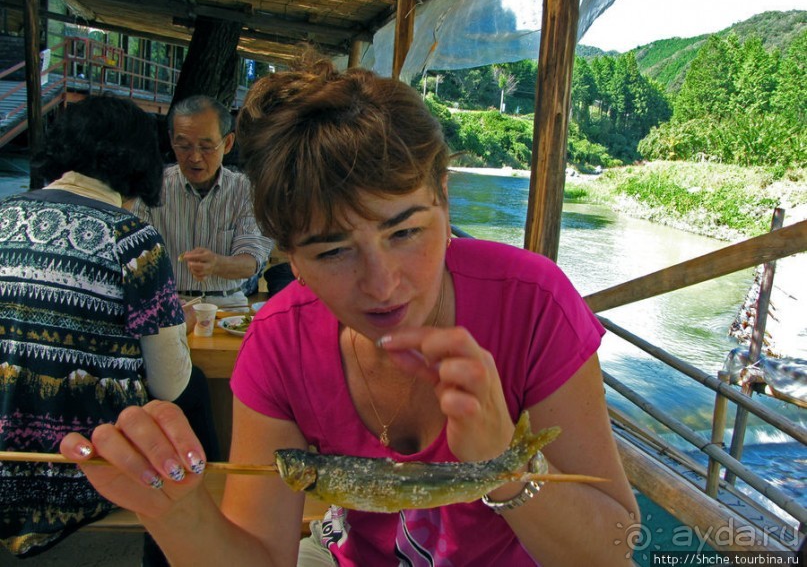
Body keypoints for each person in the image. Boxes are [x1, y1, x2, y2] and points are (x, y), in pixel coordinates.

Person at [60, 54, 640, 566]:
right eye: (332, 250)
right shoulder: (279, 341)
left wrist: (505, 468)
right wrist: (172, 511)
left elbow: (614, 548)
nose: (383, 285)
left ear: (443, 195)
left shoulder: (531, 302)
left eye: (407, 230)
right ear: (289, 257)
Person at [0, 95, 192, 557]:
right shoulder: (134, 241)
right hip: (84, 477)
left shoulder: (4, 215)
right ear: (141, 164)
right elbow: (170, 382)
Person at [129, 95, 274, 308]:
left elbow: (250, 262)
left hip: (227, 304)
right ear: (171, 140)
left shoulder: (245, 191)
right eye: (184, 146)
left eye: (206, 147)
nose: (195, 157)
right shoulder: (152, 189)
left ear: (227, 143)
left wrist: (217, 264)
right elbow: (135, 258)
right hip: (166, 304)